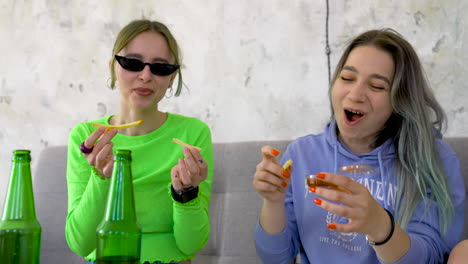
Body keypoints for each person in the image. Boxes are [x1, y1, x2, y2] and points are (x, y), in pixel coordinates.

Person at [253, 28, 465, 264]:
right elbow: (275, 257)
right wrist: (273, 202)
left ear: (400, 100)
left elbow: (431, 257)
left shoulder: (433, 158)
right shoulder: (301, 154)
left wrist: (380, 227)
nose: (355, 94)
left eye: (376, 86)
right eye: (347, 78)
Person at [65, 19, 213, 264]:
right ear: (114, 67)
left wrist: (185, 194)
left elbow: (191, 244)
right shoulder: (85, 136)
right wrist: (101, 178)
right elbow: (81, 244)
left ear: (171, 77)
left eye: (160, 67)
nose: (146, 76)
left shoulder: (193, 134)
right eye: (133, 63)